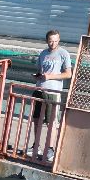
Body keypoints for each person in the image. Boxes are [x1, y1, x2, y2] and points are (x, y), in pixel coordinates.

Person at [31, 29, 73, 161]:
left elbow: (68, 74)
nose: (53, 43)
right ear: (46, 41)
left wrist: (50, 77)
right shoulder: (43, 53)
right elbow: (40, 70)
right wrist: (38, 76)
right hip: (40, 89)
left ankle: (50, 149)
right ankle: (36, 145)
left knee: (51, 122)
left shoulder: (63, 53)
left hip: (53, 92)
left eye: (55, 41)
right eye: (50, 41)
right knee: (37, 120)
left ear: (59, 40)